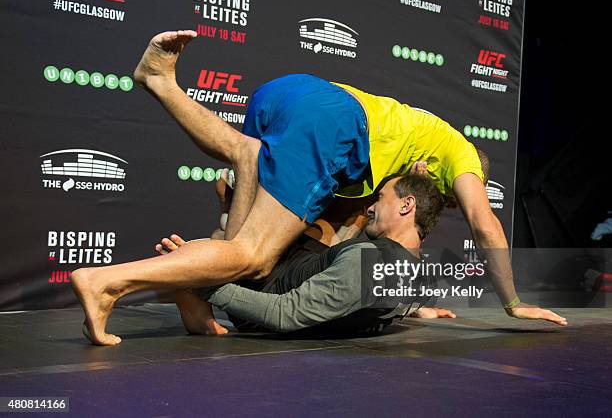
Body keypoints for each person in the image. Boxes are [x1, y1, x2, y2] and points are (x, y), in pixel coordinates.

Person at [71, 30, 567, 346]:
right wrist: (511, 301)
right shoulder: (458, 152)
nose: (452, 201)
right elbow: (485, 224)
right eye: (459, 191)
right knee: (255, 256)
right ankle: (105, 282)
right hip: (333, 119)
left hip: (289, 93)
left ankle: (160, 82)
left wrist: (411, 299)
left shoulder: (401, 159)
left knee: (242, 157)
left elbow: (353, 229)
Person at [159, 173, 456, 335]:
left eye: (381, 198)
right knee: (322, 229)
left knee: (207, 246)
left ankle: (225, 231)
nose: (372, 207)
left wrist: (203, 283)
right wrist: (418, 308)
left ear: (406, 206)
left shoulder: (369, 263)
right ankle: (230, 220)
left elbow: (282, 313)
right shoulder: (419, 274)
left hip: (267, 289)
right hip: (309, 264)